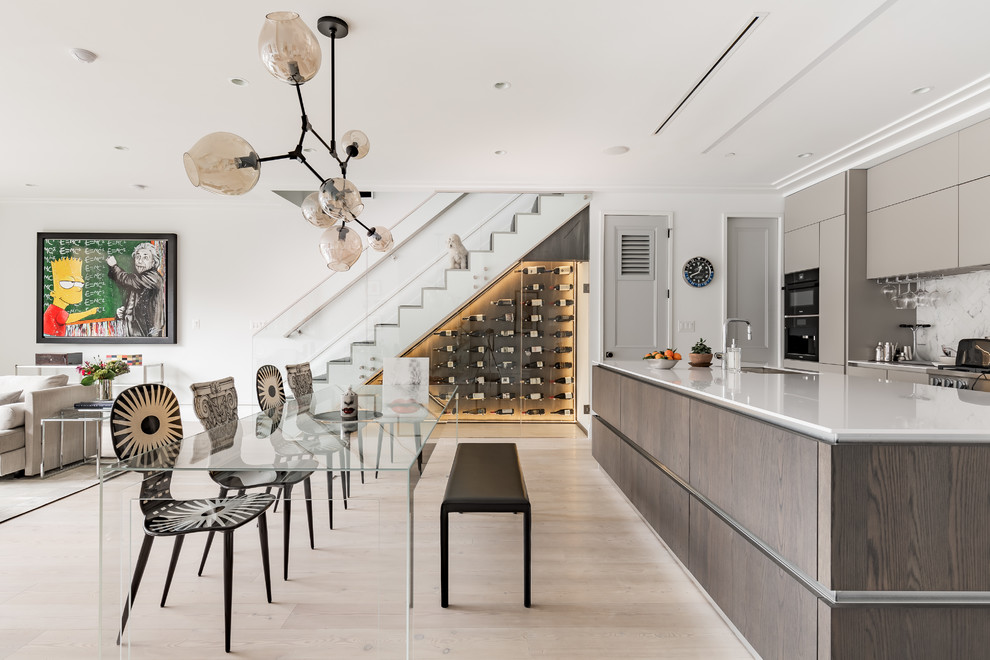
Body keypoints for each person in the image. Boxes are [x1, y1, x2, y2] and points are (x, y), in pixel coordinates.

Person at [106, 242, 165, 337]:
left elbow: (127, 280)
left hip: (149, 336)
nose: (140, 261)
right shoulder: (141, 278)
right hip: (135, 334)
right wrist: (126, 311)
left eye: (145, 258)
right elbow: (140, 304)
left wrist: (114, 266)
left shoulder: (153, 278)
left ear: (153, 262)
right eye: (138, 257)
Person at [44, 257, 99, 336]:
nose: (77, 289)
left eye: (80, 284)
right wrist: (89, 312)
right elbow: (69, 318)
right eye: (67, 284)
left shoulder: (53, 309)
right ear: (53, 293)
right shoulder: (56, 311)